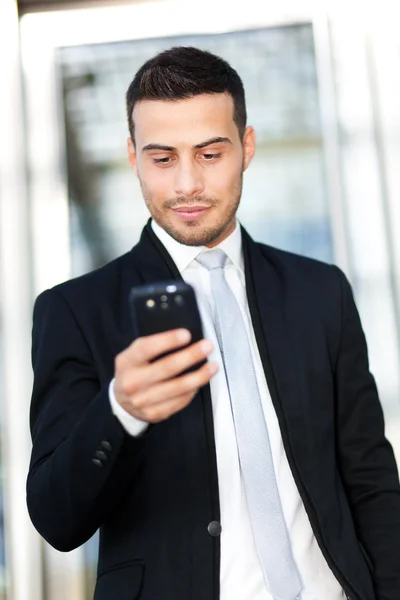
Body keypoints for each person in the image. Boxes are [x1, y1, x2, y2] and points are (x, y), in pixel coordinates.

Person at [27, 46, 400, 600]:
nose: (187, 185)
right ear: (132, 156)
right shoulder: (76, 311)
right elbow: (57, 521)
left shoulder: (320, 292)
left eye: (209, 153)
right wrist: (120, 411)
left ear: (246, 147)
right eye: (162, 158)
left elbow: (371, 478)